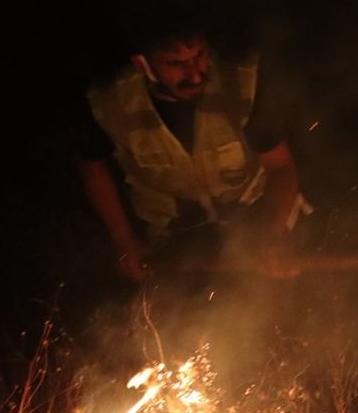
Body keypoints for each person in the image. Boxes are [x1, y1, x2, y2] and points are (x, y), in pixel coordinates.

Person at [76, 25, 308, 280]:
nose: (195, 75)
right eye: (176, 64)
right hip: (173, 235)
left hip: (256, 216)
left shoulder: (241, 84)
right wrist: (123, 240)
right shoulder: (110, 102)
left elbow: (280, 168)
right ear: (143, 64)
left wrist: (272, 233)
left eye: (199, 57)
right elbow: (93, 166)